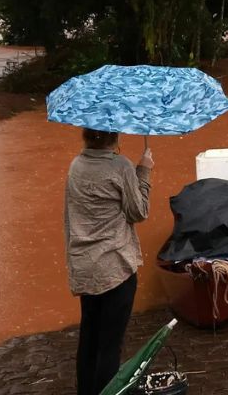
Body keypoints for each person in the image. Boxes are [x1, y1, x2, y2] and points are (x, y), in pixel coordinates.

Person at [64, 128, 153, 395]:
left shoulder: (76, 165)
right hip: (115, 266)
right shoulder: (121, 166)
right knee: (110, 344)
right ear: (116, 136)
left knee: (89, 338)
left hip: (85, 266)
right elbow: (139, 212)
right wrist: (144, 171)